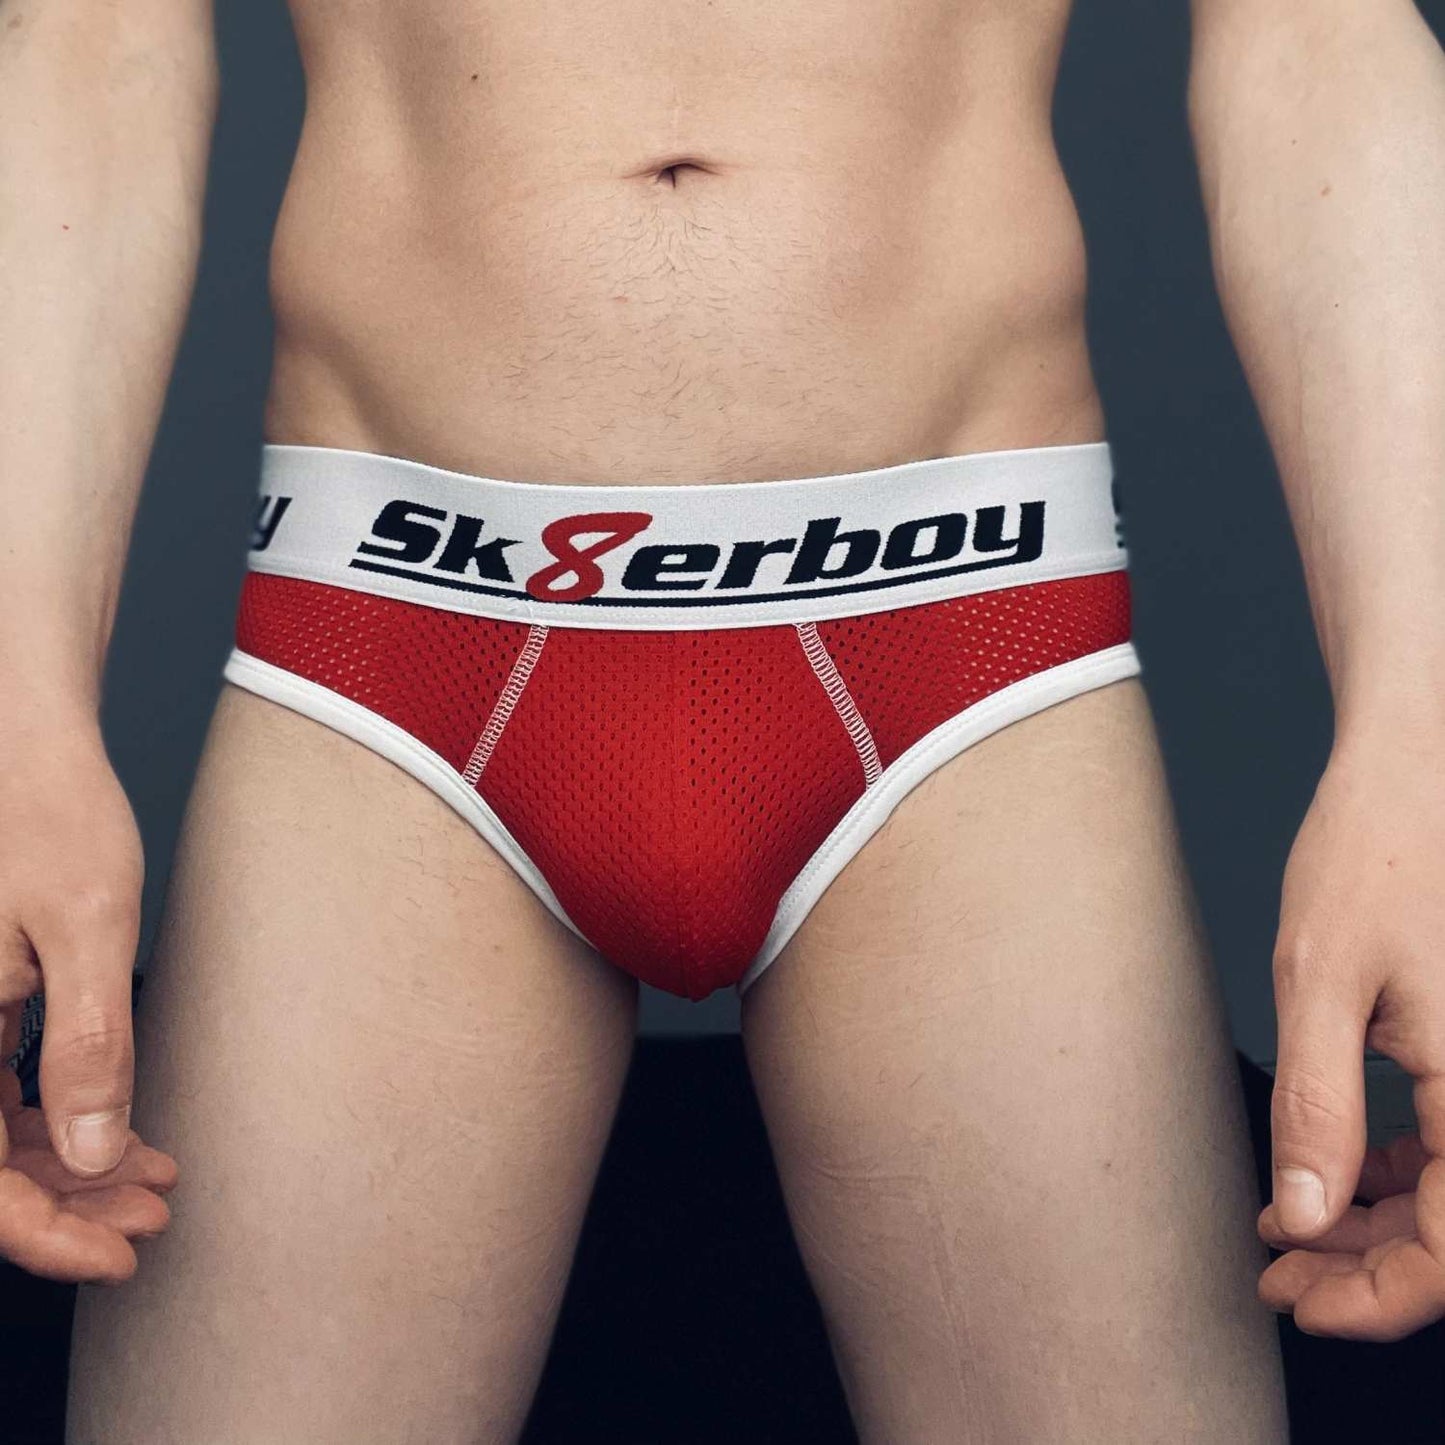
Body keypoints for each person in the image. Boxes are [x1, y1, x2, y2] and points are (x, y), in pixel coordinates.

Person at [2, 0, 1441, 1438]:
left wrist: (1420, 735)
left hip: (963, 630)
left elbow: (1313, 35)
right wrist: (17, 703)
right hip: (392, 638)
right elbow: (89, 37)